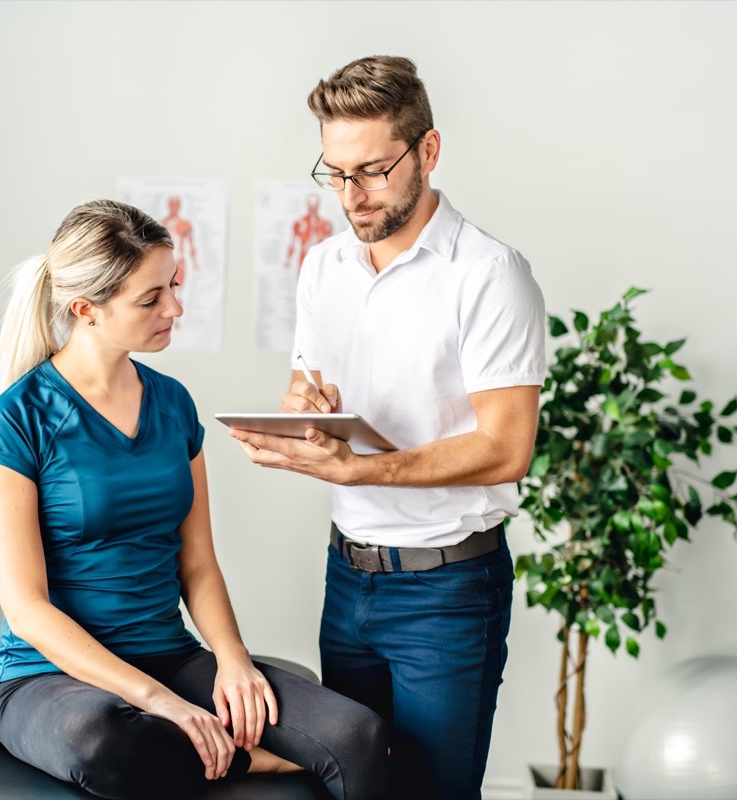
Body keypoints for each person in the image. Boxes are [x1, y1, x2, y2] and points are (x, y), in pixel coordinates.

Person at [0, 199, 388, 800]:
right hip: (49, 676)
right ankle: (252, 762)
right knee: (103, 738)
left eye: (174, 286)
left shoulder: (173, 404)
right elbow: (29, 609)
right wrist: (161, 702)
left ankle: (216, 739)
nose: (175, 308)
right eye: (151, 299)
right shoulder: (15, 420)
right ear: (86, 309)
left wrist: (233, 659)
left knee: (358, 734)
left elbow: (197, 563)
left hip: (168, 653)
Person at [229, 56, 547, 800]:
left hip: (447, 588)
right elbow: (310, 384)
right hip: (348, 579)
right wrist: (305, 405)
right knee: (351, 786)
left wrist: (359, 471)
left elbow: (506, 448)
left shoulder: (490, 274)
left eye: (371, 171)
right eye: (335, 174)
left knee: (430, 792)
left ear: (427, 152)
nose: (351, 194)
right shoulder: (323, 266)